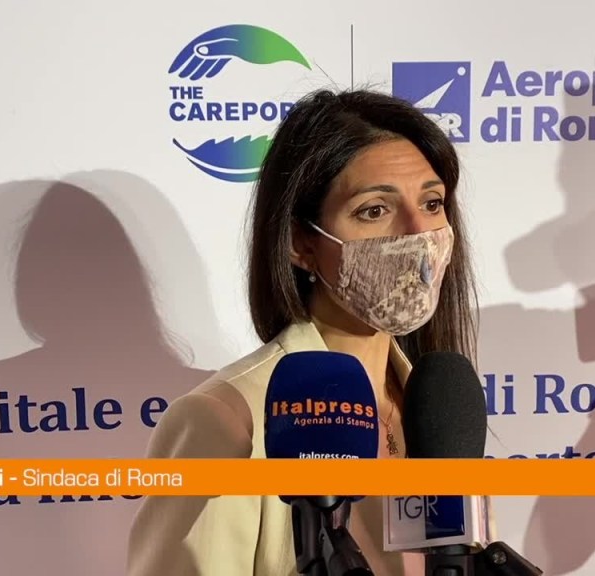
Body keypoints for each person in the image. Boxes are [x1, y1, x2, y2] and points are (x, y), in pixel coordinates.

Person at [126, 88, 480, 576]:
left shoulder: (441, 409)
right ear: (301, 243)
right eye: (374, 210)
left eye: (432, 202)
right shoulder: (225, 422)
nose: (418, 232)